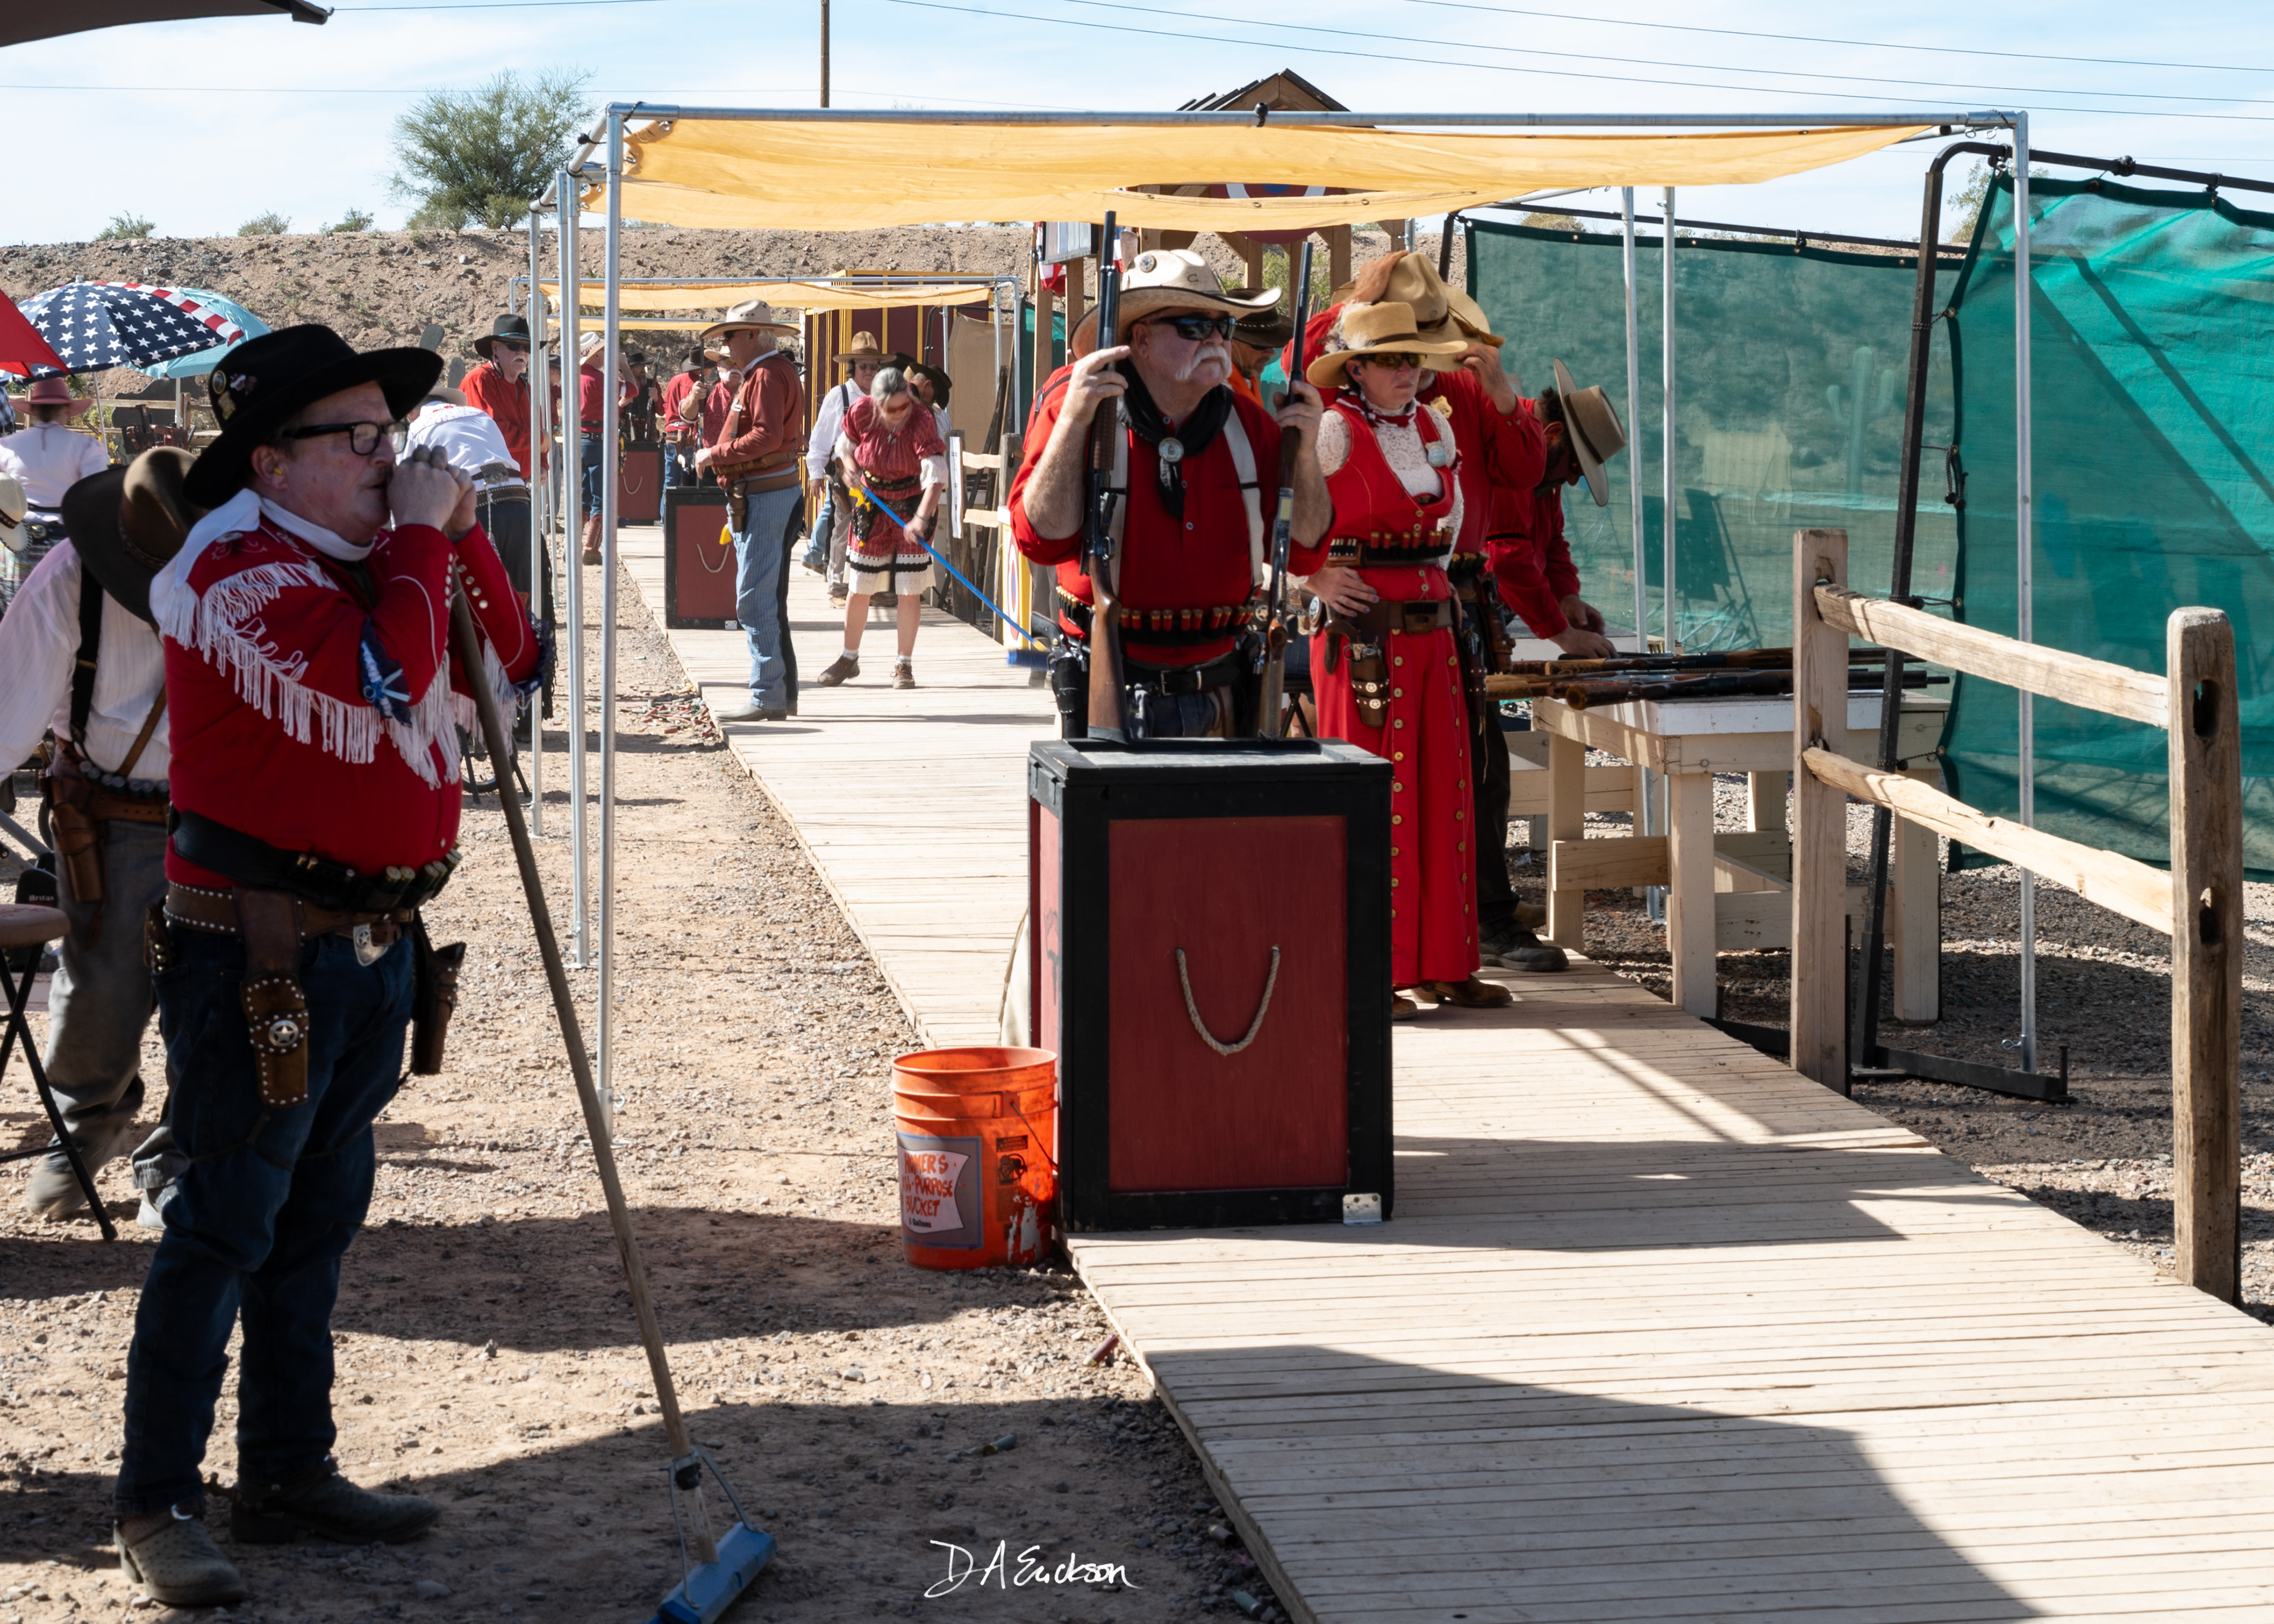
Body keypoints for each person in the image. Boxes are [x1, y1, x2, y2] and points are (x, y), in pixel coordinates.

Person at [115, 324, 542, 1607]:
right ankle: (157, 1499)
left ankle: (288, 1469)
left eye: (388, 433)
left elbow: (512, 653)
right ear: (270, 460)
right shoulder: (233, 565)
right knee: (223, 1222)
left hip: (370, 946)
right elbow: (380, 681)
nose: (383, 457)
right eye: (353, 437)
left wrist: (454, 534)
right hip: (255, 956)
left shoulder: (374, 560)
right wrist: (419, 539)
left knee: (315, 1222)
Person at [1011, 249, 1329, 739]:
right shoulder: (1080, 409)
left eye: (1224, 326)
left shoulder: (1250, 425)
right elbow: (1040, 539)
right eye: (1194, 327)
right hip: (1108, 687)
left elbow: (1305, 551)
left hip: (1224, 689)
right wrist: (1073, 421)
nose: (1217, 340)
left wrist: (1305, 454)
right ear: (1140, 338)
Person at [1297, 301, 1514, 1018]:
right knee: (1374, 797)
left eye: (1413, 357)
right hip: (1363, 639)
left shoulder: (1434, 426)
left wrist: (1443, 587)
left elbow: (1450, 524)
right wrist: (1315, 577)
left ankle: (1447, 964)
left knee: (1445, 793)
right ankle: (1373, 971)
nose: (1406, 370)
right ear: (1355, 368)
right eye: (1390, 359)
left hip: (1433, 636)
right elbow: (1277, 512)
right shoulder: (1333, 430)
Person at [0, 451, 193, 1223]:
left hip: (226, 817)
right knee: (99, 997)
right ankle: (85, 1132)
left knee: (220, 996)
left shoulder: (248, 577)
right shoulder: (68, 580)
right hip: (108, 820)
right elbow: (4, 721)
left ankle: (182, 1158)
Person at [693, 300, 804, 722]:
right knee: (768, 598)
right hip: (767, 493)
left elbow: (765, 436)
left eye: (731, 335)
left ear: (753, 335)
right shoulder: (770, 372)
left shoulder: (766, 375)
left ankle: (767, 694)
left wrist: (714, 454)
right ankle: (779, 692)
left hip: (764, 496)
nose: (726, 343)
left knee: (755, 599)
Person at [817, 366, 943, 690]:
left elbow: (936, 476)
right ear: (875, 404)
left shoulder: (922, 420)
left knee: (908, 589)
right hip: (873, 502)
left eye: (904, 406)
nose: (899, 415)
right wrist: (850, 470)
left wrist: (921, 519)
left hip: (912, 503)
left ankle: (904, 665)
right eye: (891, 410)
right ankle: (849, 658)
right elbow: (844, 447)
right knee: (859, 585)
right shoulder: (861, 412)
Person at [0, 377, 110, 609]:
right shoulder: (86, 446)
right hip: (64, 544)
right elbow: (95, 498)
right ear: (67, 409)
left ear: (34, 410)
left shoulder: (7, 446)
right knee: (61, 614)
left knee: (14, 614)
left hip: (16, 541)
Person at [805, 331, 888, 602]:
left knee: (875, 530)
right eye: (864, 366)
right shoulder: (838, 396)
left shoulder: (882, 397)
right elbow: (820, 439)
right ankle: (838, 585)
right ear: (853, 368)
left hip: (878, 476)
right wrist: (815, 474)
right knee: (844, 528)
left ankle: (869, 585)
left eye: (874, 366)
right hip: (845, 475)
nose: (869, 371)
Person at [460, 314, 537, 483]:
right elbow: (494, 432)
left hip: (518, 482)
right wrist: (538, 439)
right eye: (514, 346)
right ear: (495, 348)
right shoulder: (479, 380)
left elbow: (538, 428)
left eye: (526, 347)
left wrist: (542, 464)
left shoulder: (525, 387)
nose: (522, 352)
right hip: (489, 483)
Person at [660, 348, 707, 488]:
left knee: (670, 482)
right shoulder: (698, 386)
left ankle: (666, 504)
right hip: (687, 438)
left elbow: (665, 406)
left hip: (671, 437)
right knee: (690, 482)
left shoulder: (675, 380)